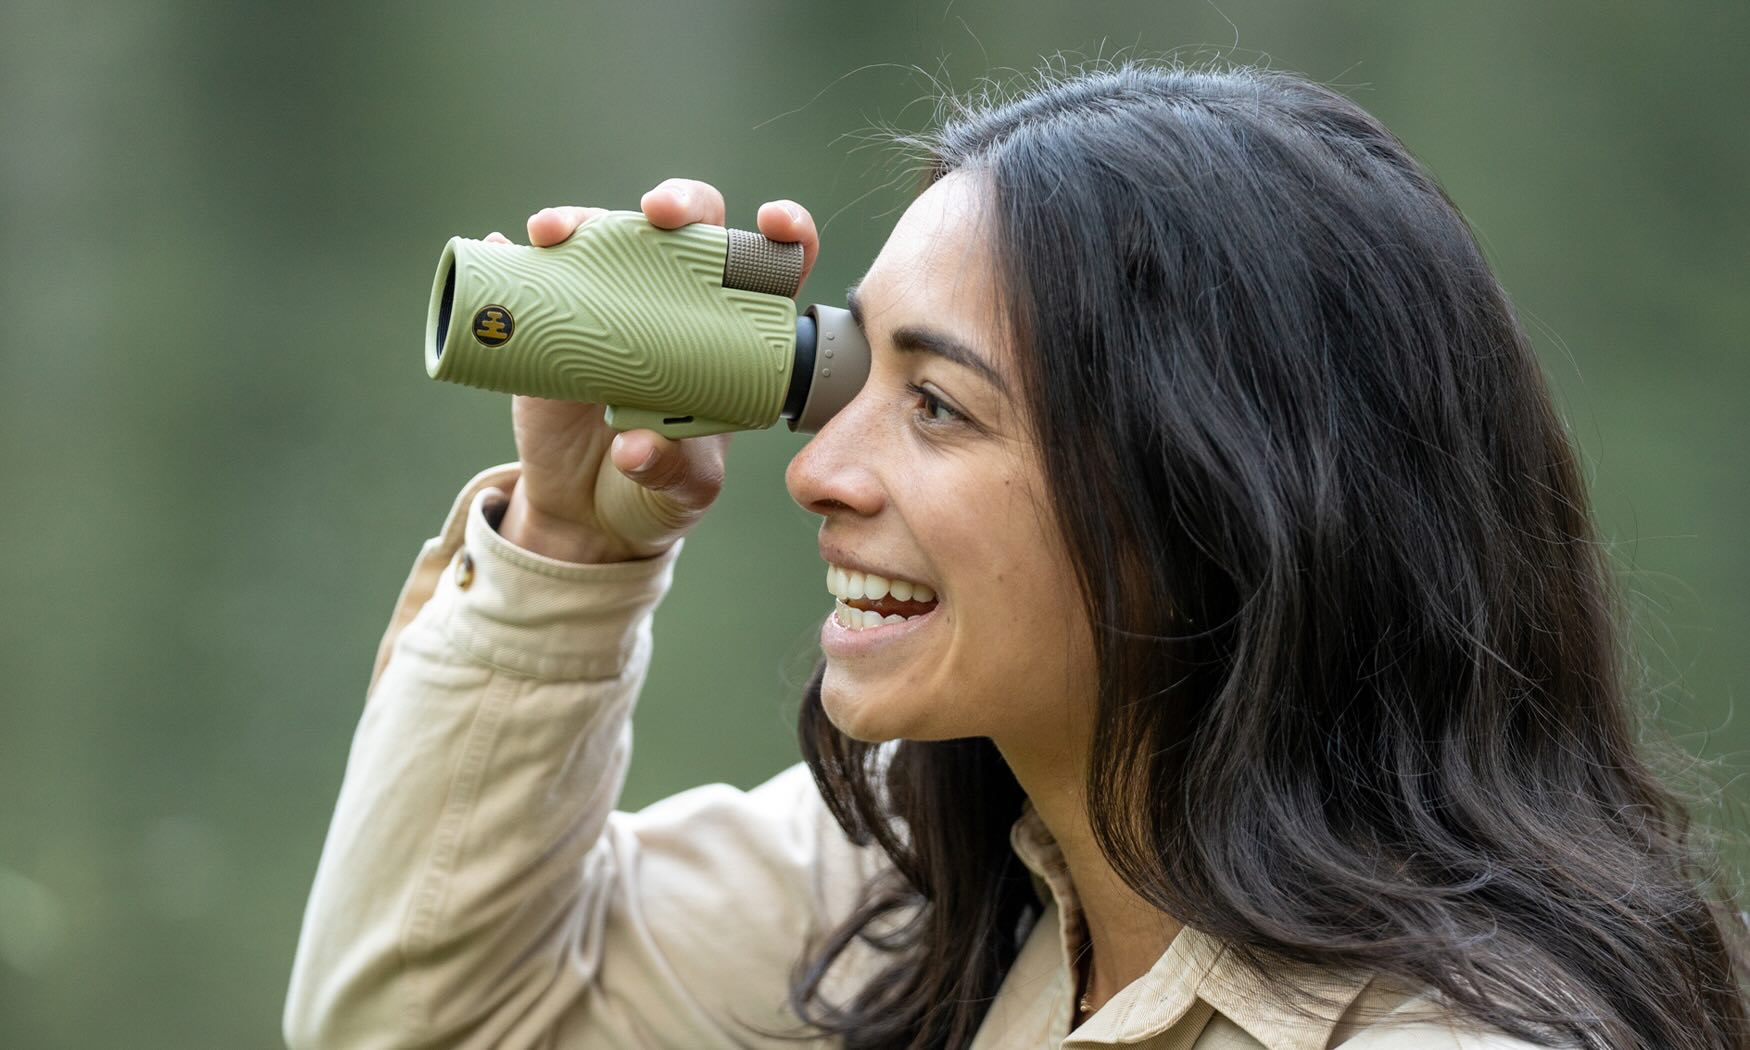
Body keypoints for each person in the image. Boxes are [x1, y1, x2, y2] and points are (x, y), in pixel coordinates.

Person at [284, 64, 1749, 1049]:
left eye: (935, 403)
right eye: (842, 373)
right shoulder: (948, 875)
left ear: (1216, 488)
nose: (816, 467)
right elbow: (434, 1016)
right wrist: (569, 547)